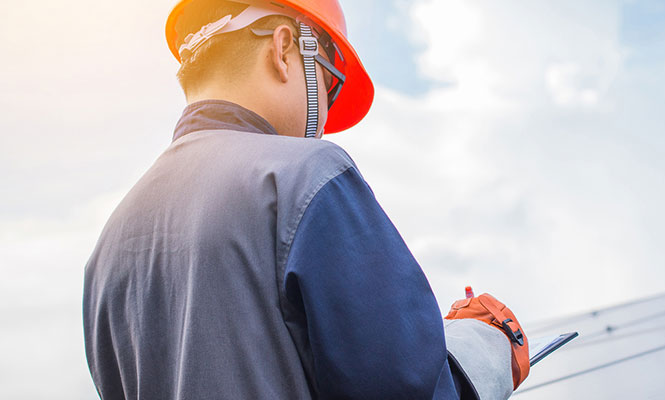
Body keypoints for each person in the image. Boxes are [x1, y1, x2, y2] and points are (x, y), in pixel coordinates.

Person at [82, 0, 530, 398]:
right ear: (283, 49)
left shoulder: (107, 249)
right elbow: (404, 387)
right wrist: (485, 344)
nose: (326, 113)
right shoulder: (306, 176)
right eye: (329, 84)